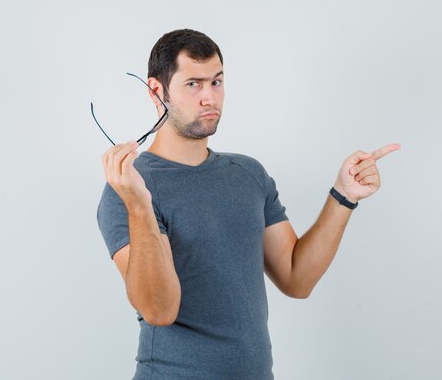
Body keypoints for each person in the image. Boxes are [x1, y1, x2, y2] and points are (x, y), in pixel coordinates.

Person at [96, 28, 401, 380]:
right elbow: (159, 310)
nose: (209, 97)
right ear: (156, 91)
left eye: (217, 81)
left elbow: (296, 279)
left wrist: (343, 195)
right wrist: (139, 206)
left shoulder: (248, 175)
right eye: (193, 84)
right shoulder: (129, 189)